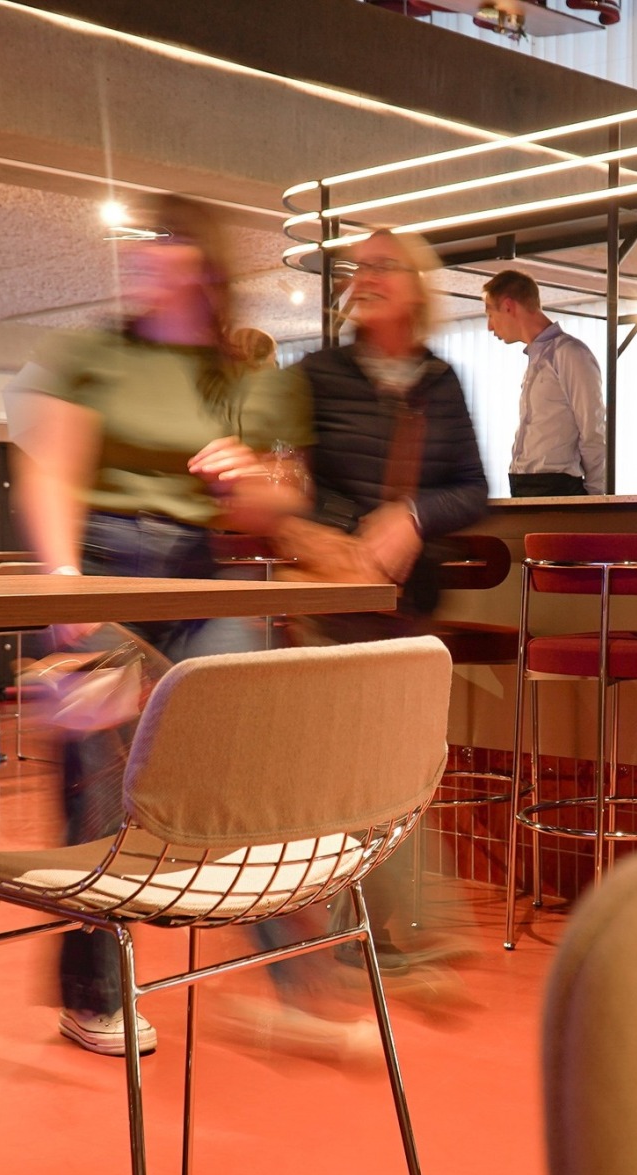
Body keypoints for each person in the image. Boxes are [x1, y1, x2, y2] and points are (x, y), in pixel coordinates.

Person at [5, 193, 310, 1058]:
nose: (142, 253)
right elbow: (51, 470)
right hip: (100, 565)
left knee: (241, 763)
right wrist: (64, 583)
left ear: (203, 264)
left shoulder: (248, 374)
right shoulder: (93, 352)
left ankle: (299, 984)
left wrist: (247, 477)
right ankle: (95, 995)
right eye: (139, 240)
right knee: (99, 785)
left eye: (162, 239)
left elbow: (283, 499)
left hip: (201, 573)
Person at [208, 227, 488, 1030]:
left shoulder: (441, 382)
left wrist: (412, 516)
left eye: (381, 266)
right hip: (329, 595)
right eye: (357, 268)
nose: (363, 278)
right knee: (356, 761)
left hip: (404, 601)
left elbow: (472, 490)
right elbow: (277, 477)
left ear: (415, 286)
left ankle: (381, 935)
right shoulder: (316, 375)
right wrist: (316, 532)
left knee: (383, 763)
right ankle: (413, 931)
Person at [482, 269, 607, 497]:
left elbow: (593, 430)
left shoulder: (570, 353)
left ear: (508, 306)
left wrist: (596, 499)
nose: (490, 326)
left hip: (557, 487)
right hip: (524, 484)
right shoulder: (537, 359)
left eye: (490, 314)